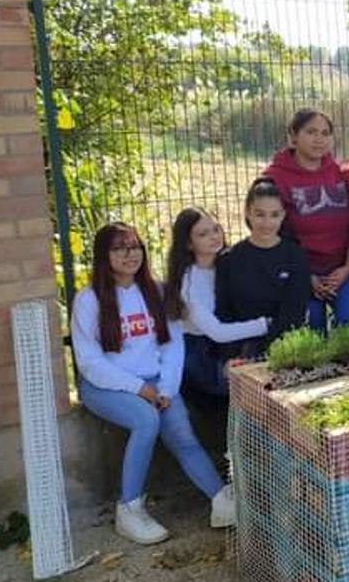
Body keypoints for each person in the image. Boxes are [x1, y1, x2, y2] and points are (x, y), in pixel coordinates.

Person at [71, 223, 234, 545]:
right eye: (119, 248)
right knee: (146, 420)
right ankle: (129, 510)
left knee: (182, 433)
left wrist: (166, 389)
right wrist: (138, 389)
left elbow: (173, 346)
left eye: (134, 246)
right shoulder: (88, 300)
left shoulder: (156, 292)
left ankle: (221, 502)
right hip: (106, 385)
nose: (129, 254)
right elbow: (90, 362)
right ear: (104, 256)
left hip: (156, 384)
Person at [264, 108, 349, 330]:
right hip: (298, 273)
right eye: (311, 132)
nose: (319, 139)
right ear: (293, 136)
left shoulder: (339, 174)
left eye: (325, 133)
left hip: (339, 272)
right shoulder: (275, 179)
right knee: (310, 332)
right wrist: (306, 275)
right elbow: (275, 234)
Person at [163, 207, 268, 399]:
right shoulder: (189, 282)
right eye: (203, 234)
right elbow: (217, 333)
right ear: (188, 244)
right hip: (203, 354)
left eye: (216, 229)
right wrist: (266, 324)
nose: (214, 237)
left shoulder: (231, 264)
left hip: (233, 344)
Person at [215, 178, 310, 358]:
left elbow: (293, 314)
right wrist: (233, 357)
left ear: (283, 215)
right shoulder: (228, 260)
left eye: (274, 215)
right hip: (240, 350)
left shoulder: (295, 257)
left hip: (283, 350)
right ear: (247, 213)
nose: (267, 223)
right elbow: (224, 314)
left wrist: (266, 353)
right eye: (260, 214)